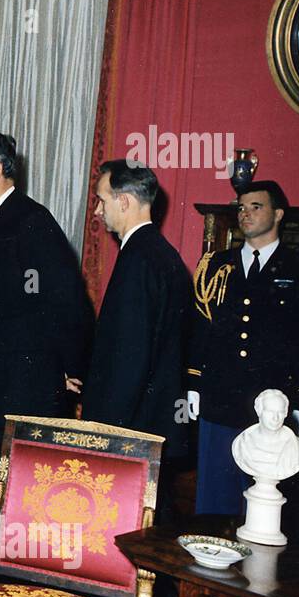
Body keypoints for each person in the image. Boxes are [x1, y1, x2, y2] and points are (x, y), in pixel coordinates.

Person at [0, 132, 92, 586]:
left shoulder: (30, 221)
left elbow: (67, 300)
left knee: (6, 500)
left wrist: (73, 369)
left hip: (20, 392)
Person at [187, 181, 299, 514]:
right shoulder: (216, 266)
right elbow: (199, 329)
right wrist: (193, 384)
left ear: (278, 214)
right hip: (220, 400)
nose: (246, 214)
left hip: (274, 408)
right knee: (214, 500)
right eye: (241, 207)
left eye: (256, 207)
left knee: (264, 506)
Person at [77, 160, 192, 458]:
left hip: (129, 431)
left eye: (102, 201)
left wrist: (105, 432)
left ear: (124, 201)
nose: (98, 211)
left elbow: (128, 357)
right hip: (152, 423)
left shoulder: (137, 260)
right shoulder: (164, 255)